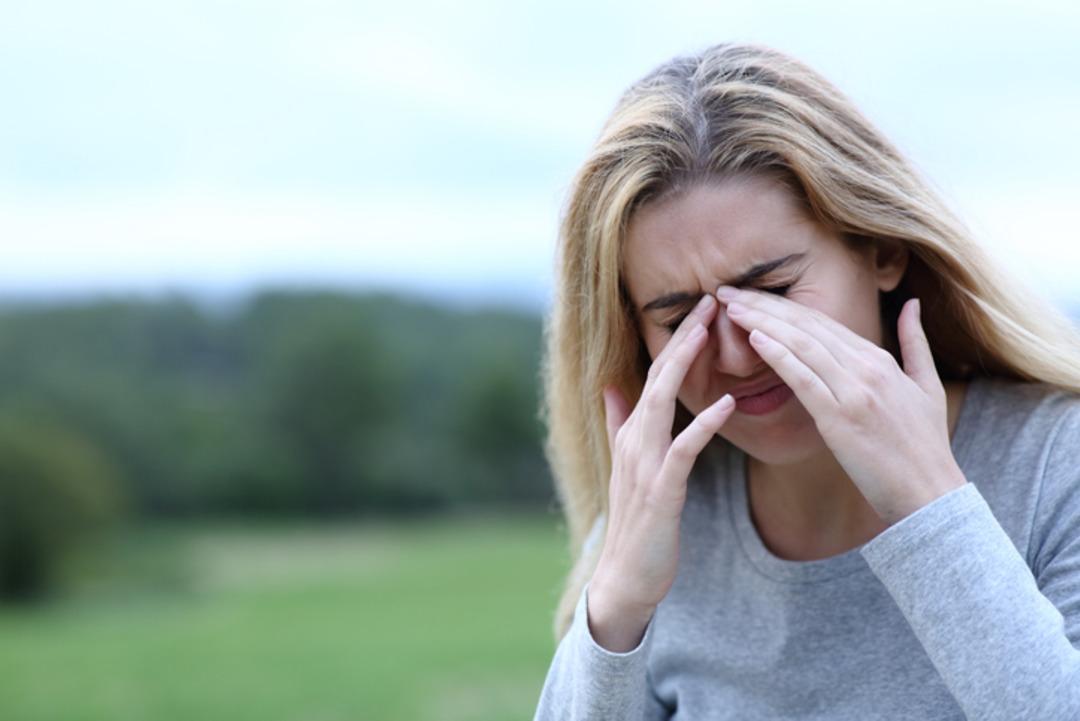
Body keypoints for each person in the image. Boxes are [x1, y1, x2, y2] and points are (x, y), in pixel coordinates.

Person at [532, 41, 1080, 720]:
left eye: (773, 292)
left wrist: (929, 507)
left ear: (882, 250)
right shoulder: (661, 514)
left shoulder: (1055, 465)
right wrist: (616, 605)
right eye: (680, 321)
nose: (737, 356)